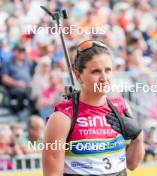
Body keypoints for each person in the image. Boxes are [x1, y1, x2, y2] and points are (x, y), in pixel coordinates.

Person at [43, 40, 144, 176]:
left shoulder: (121, 107)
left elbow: (132, 164)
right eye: (96, 72)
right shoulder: (62, 118)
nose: (104, 78)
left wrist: (138, 136)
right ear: (78, 75)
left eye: (108, 70)